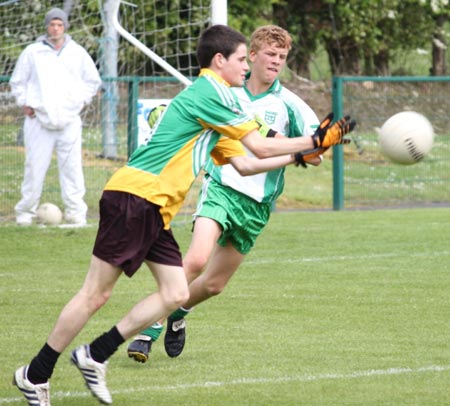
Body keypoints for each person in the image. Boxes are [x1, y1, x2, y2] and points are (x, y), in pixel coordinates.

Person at [12, 23, 354, 406]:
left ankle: (95, 354)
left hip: (154, 207)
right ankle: (35, 374)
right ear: (219, 61)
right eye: (242, 59)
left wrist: (300, 154)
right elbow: (259, 143)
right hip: (136, 196)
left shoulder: (222, 104)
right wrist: (315, 140)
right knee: (95, 295)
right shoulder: (211, 92)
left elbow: (245, 163)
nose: (246, 66)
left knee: (175, 293)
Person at [126, 25, 330, 363]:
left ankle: (180, 311)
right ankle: (150, 329)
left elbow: (317, 155)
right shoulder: (226, 92)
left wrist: (318, 144)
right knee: (194, 260)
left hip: (257, 205)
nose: (276, 61)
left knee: (214, 285)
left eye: (282, 57)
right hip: (220, 186)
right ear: (251, 55)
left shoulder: (291, 104)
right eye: (270, 54)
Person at [10, 7, 101, 227]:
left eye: (59, 24)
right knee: (34, 167)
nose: (55, 28)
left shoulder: (77, 52)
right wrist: (25, 103)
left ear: (65, 27)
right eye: (52, 24)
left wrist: (80, 102)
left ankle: (75, 212)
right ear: (46, 26)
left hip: (69, 121)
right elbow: (18, 81)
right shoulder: (33, 52)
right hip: (38, 121)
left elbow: (93, 82)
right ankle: (25, 212)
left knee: (72, 168)